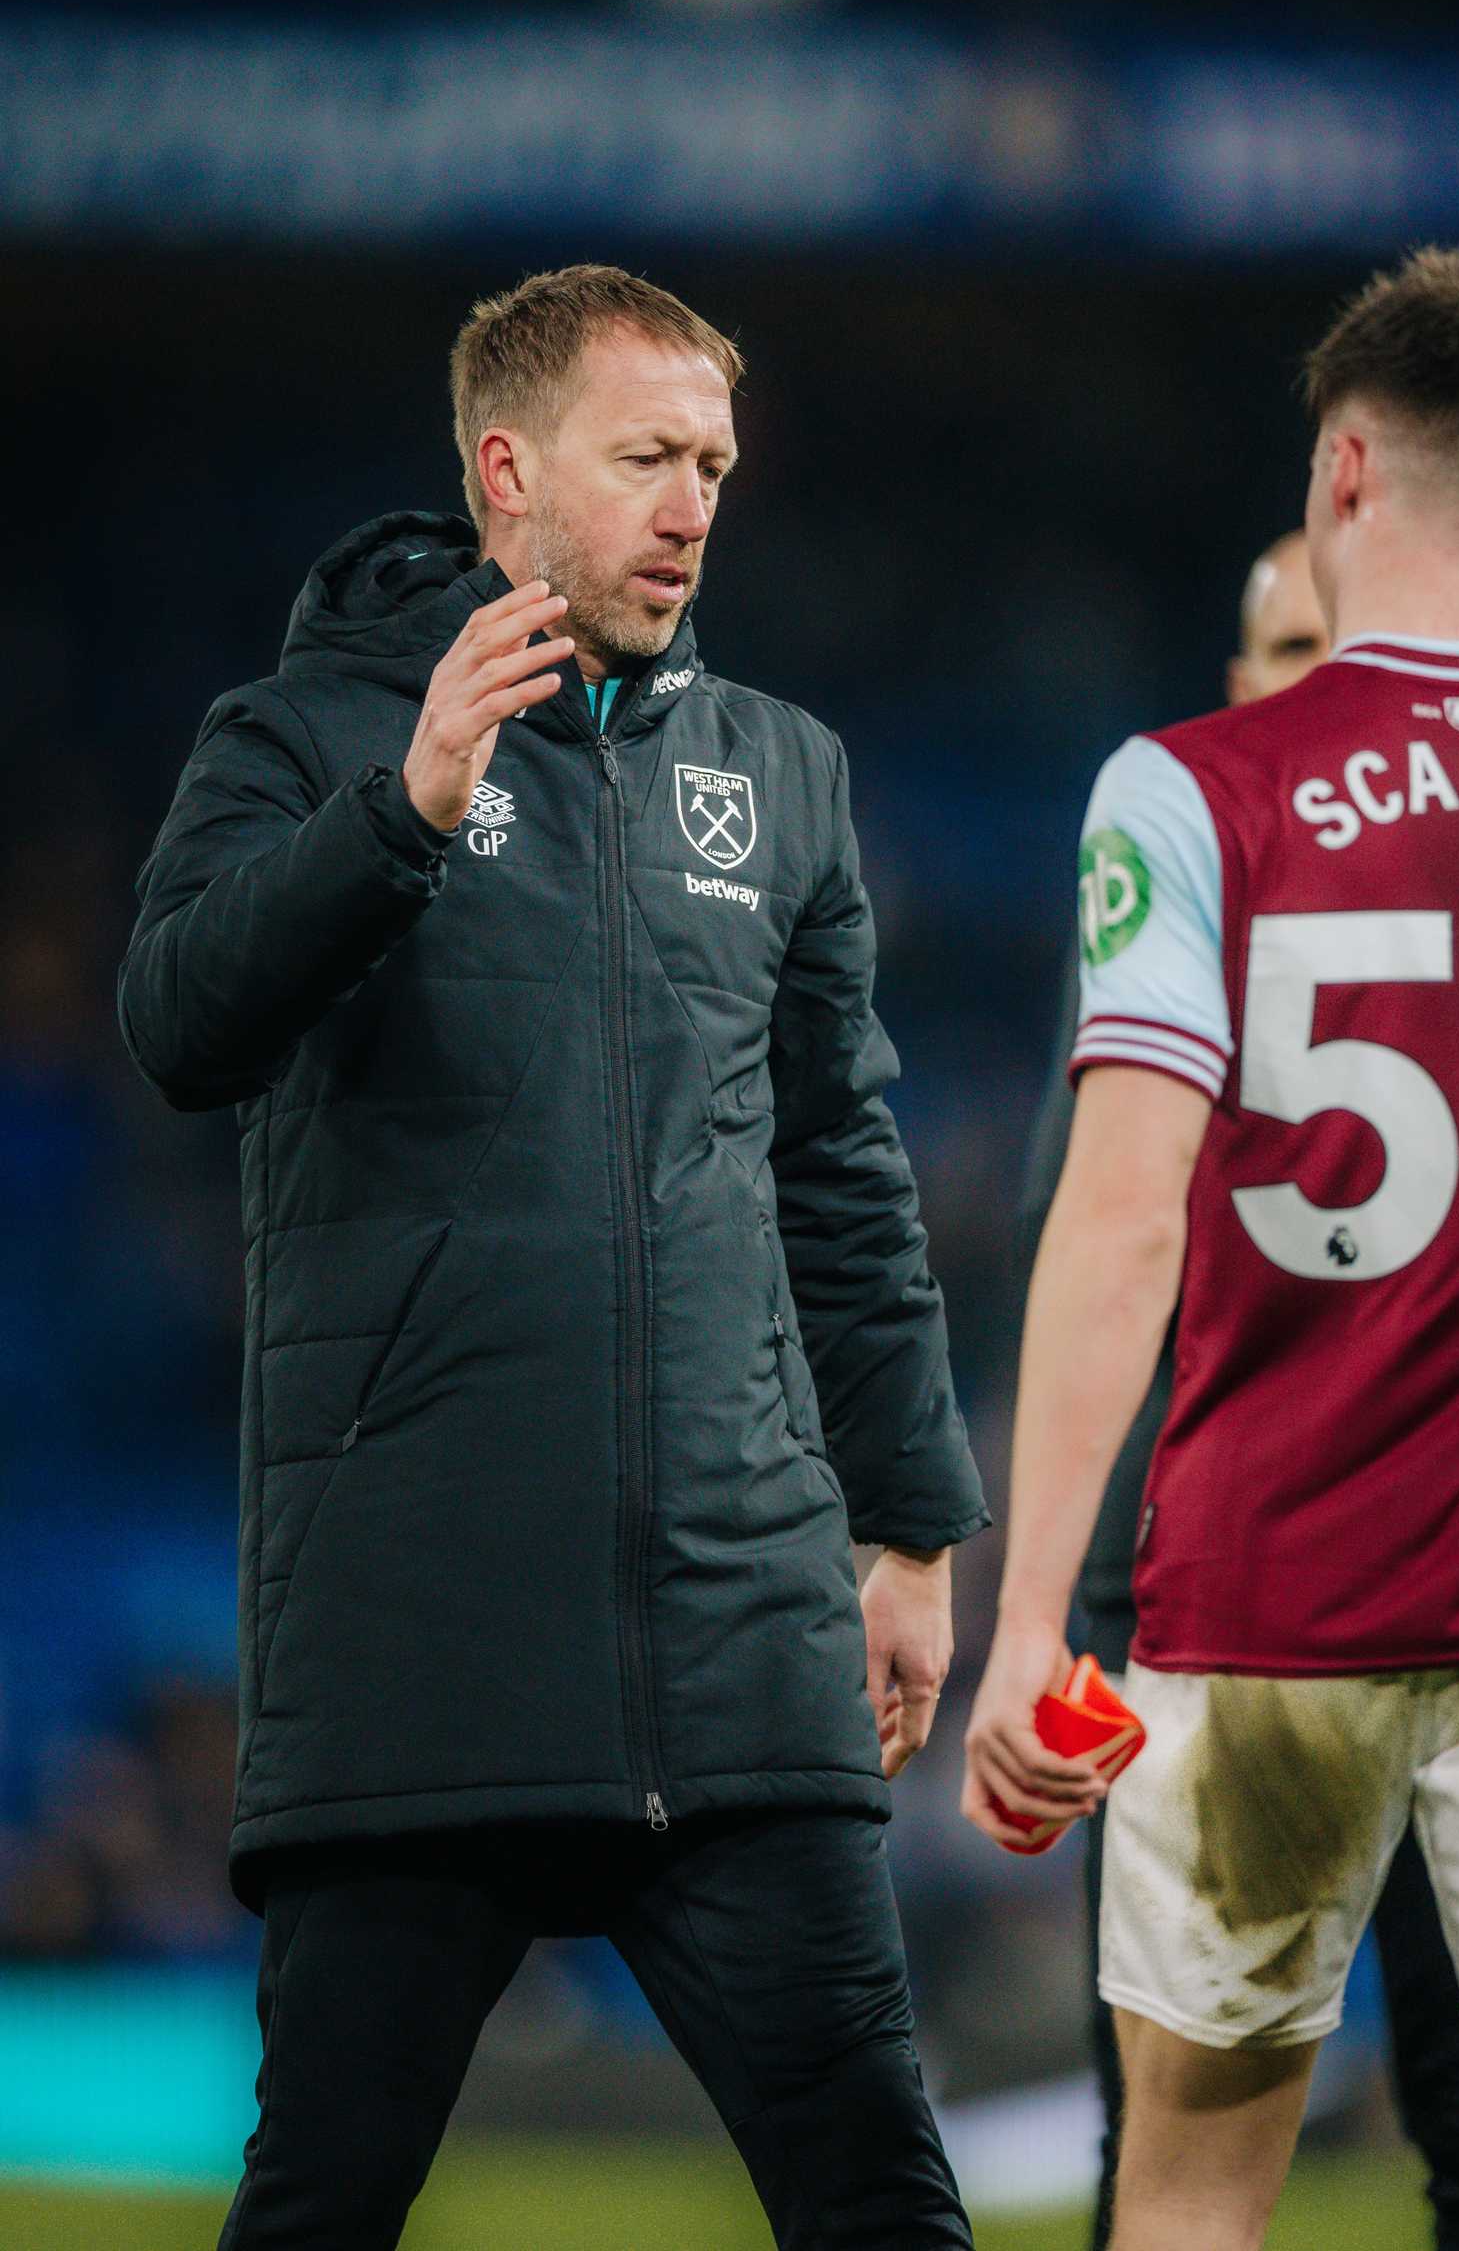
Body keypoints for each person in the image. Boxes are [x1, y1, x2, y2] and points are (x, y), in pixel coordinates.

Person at [119, 263, 987, 2250]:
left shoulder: (780, 775)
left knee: (879, 2189)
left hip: (739, 1638)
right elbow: (177, 1025)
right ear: (509, 471)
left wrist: (913, 1531)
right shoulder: (300, 733)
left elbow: (843, 1175)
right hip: (425, 1632)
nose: (695, 504)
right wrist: (402, 808)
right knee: (323, 2197)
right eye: (648, 459)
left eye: (715, 463)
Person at [965, 244, 1459, 2251]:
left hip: (1274, 1600)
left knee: (1189, 2205)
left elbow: (1116, 1217)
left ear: (1342, 476)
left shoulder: (1191, 794)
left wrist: (1032, 1630)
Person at [1021, 530, 1459, 2251]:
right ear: (1239, 691)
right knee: (1154, 2143)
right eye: (1295, 651)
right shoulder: (1160, 929)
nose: (1329, 688)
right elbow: (1089, 1270)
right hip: (1181, 1628)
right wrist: (1069, 1625)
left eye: (1356, 647)